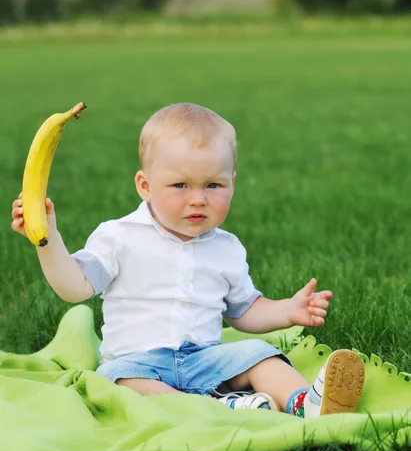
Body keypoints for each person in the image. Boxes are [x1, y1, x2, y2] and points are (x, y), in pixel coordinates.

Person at [11, 103, 364, 417]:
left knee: (260, 354)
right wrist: (46, 240)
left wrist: (287, 311)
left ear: (232, 184)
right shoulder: (119, 236)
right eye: (180, 186)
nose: (198, 199)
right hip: (139, 364)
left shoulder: (227, 248)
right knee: (118, 383)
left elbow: (243, 311)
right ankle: (223, 407)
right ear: (145, 185)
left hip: (204, 361)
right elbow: (75, 287)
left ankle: (306, 403)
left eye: (213, 186)